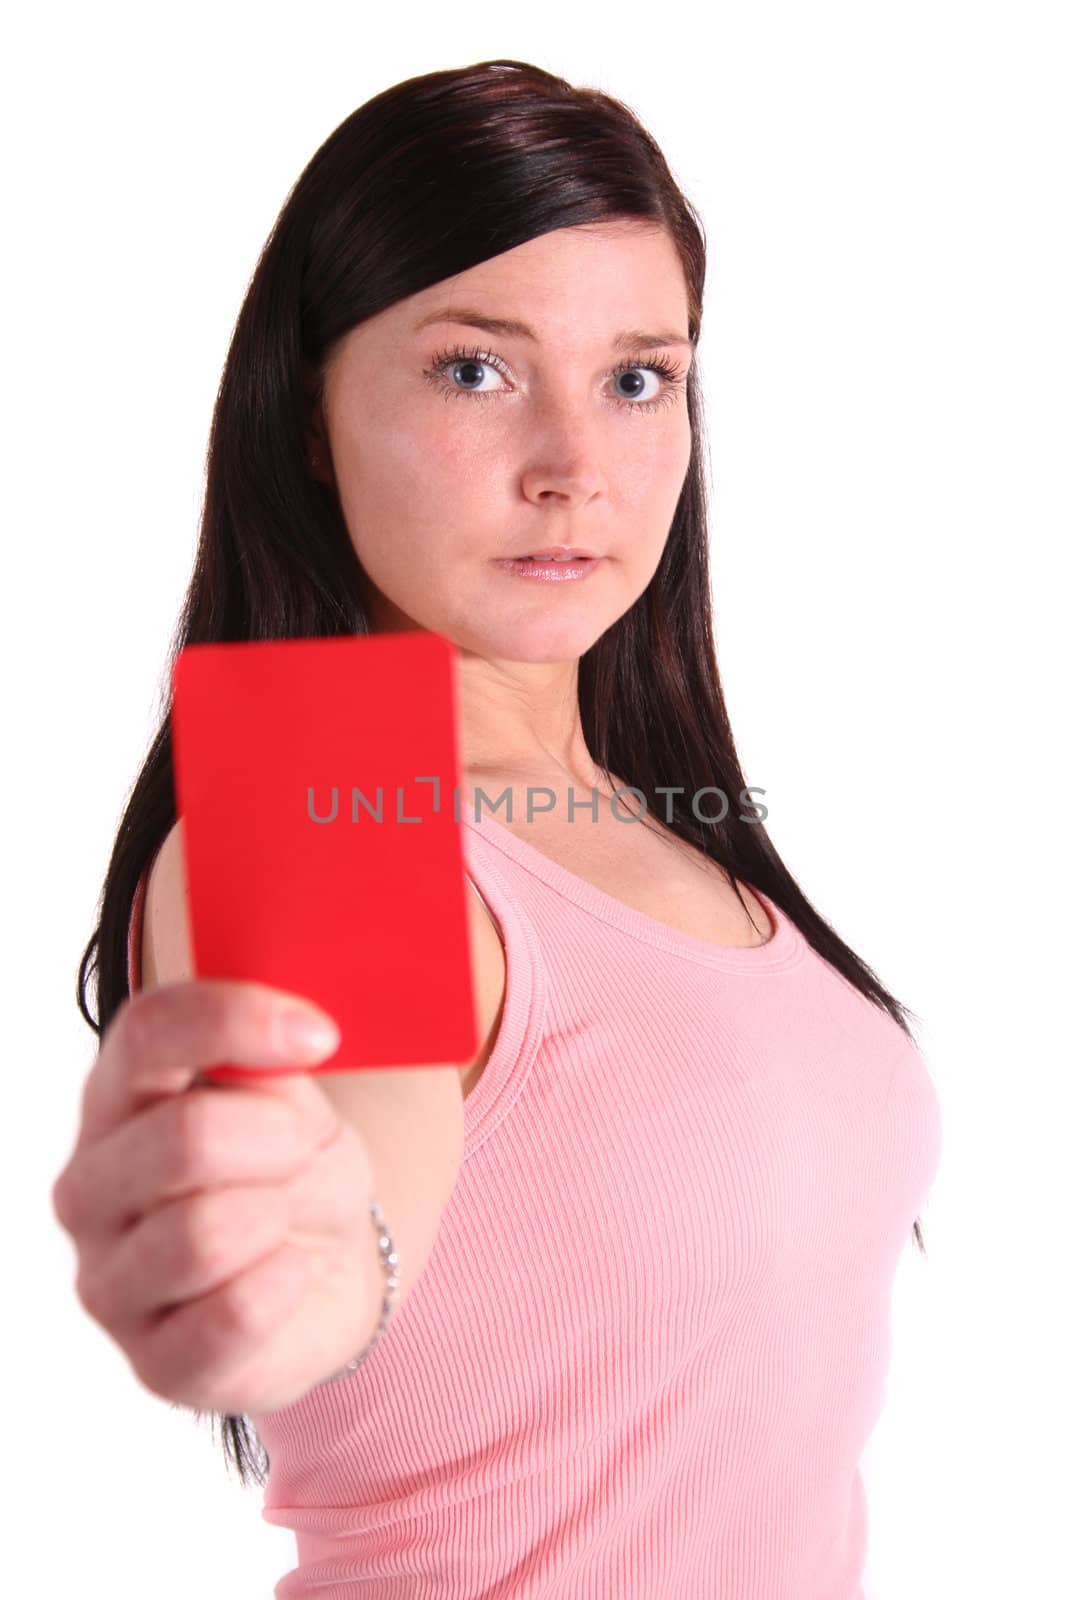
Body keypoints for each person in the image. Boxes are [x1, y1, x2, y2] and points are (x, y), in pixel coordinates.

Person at [53, 58, 942, 1598]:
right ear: (310, 414)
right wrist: (292, 1275)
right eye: (476, 369)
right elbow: (347, 1213)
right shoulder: (329, 797)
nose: (573, 467)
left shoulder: (683, 840)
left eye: (637, 376)